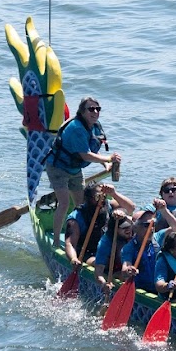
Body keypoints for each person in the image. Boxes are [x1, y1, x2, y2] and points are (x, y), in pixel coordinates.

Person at [48, 97, 122, 246]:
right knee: (64, 203)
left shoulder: (94, 126)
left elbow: (92, 147)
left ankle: (82, 238)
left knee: (81, 204)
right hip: (58, 168)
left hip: (75, 169)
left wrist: (104, 164)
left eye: (97, 109)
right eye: (91, 109)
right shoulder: (76, 128)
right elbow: (85, 155)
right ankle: (56, 240)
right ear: (82, 111)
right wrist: (108, 158)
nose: (95, 112)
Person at [64, 182, 134, 270]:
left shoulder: (109, 205)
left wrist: (113, 193)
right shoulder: (76, 217)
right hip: (88, 253)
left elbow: (131, 208)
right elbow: (70, 243)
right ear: (88, 198)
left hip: (107, 249)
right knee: (103, 262)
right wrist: (73, 258)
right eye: (98, 197)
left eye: (104, 196)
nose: (102, 200)